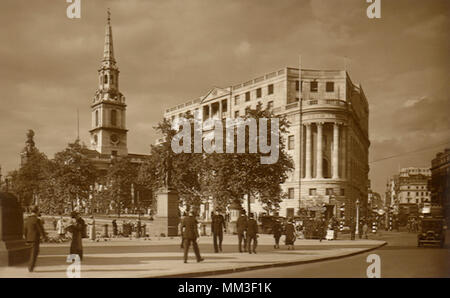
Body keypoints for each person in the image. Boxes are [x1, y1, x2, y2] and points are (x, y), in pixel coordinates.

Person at [23, 206, 46, 272]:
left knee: (31, 252)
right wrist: (43, 236)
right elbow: (40, 229)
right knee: (34, 253)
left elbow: (24, 229)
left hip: (29, 238)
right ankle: (30, 267)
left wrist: (26, 237)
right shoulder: (37, 220)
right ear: (36, 211)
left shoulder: (27, 219)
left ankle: (30, 266)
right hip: (35, 239)